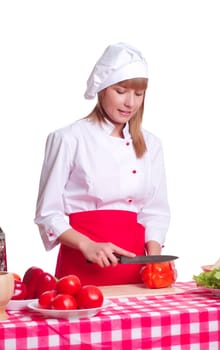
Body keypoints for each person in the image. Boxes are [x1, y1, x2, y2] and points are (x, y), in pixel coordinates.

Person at [34, 42, 170, 286]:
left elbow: (155, 211)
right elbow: (47, 213)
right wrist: (86, 244)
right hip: (82, 269)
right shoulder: (68, 139)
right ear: (102, 89)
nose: (130, 102)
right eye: (121, 91)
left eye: (138, 94)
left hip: (136, 273)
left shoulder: (151, 144)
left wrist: (156, 258)